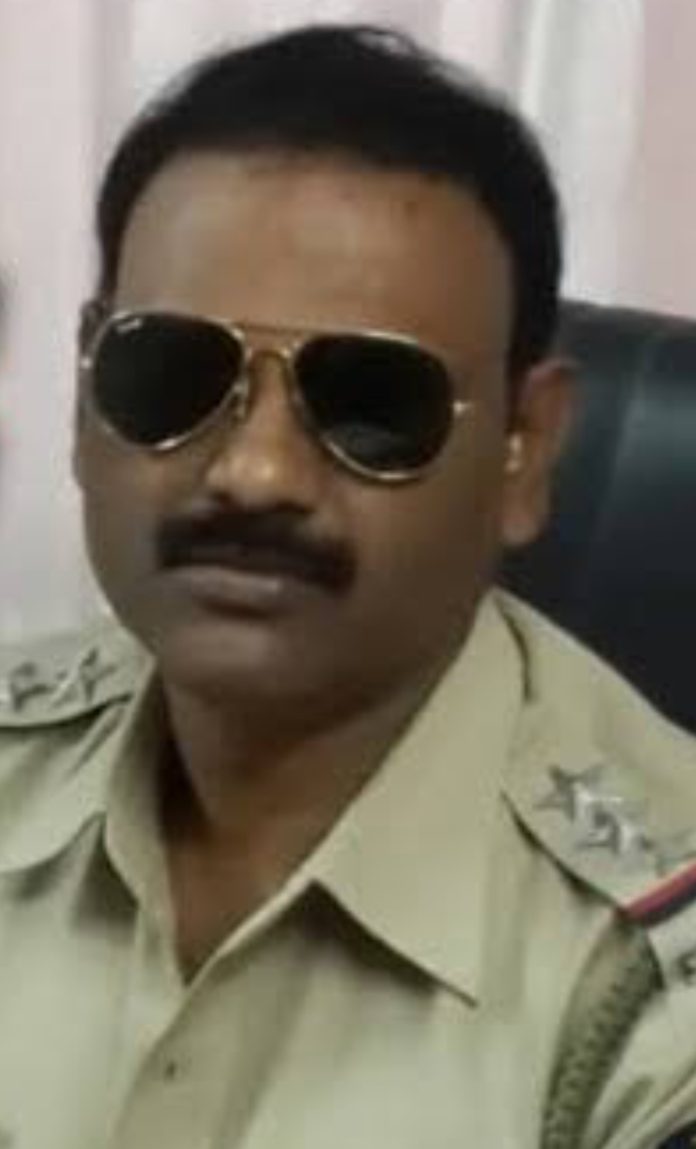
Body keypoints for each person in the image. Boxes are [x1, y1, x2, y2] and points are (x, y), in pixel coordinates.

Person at [1, 24, 696, 1149]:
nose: (255, 472)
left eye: (373, 403)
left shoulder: (648, 993)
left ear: (525, 449)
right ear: (85, 400)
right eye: (173, 375)